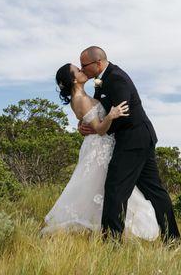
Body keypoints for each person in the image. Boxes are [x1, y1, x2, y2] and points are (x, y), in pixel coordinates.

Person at [40, 63, 160, 241]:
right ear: (74, 79)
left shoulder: (81, 95)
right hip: (99, 147)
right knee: (107, 188)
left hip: (101, 146)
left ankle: (105, 230)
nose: (82, 71)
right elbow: (100, 129)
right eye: (78, 70)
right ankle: (109, 233)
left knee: (101, 188)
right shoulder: (80, 98)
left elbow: (89, 120)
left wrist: (84, 124)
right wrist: (112, 115)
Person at [78, 46, 180, 243]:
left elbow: (122, 115)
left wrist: (101, 129)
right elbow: (99, 110)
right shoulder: (102, 80)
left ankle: (111, 243)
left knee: (115, 188)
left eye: (84, 65)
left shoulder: (117, 79)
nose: (82, 69)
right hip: (138, 138)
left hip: (134, 139)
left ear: (98, 63)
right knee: (154, 190)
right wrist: (87, 126)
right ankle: (172, 239)